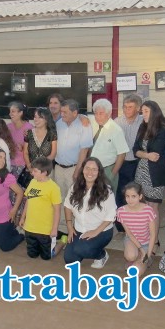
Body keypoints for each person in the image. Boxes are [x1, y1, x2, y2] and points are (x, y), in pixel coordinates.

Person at [53, 99, 93, 254]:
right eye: (61, 111)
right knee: (61, 200)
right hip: (59, 168)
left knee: (75, 202)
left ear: (75, 113)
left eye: (65, 112)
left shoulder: (84, 124)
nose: (61, 114)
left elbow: (84, 150)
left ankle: (75, 234)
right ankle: (63, 235)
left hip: (74, 169)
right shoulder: (59, 124)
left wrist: (78, 170)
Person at [64, 157, 117, 268]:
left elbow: (111, 215)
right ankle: (83, 247)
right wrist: (69, 226)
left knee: (83, 249)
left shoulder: (106, 190)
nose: (90, 172)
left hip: (101, 231)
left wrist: (95, 232)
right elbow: (67, 206)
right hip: (79, 229)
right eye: (87, 168)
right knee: (70, 260)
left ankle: (101, 255)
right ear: (82, 170)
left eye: (94, 169)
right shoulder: (75, 187)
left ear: (99, 172)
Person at [133, 100, 165, 245]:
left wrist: (144, 154)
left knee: (153, 206)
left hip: (155, 173)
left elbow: (156, 152)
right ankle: (144, 236)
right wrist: (146, 155)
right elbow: (135, 149)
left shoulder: (162, 129)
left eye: (146, 111)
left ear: (154, 111)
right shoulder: (142, 127)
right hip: (141, 170)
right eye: (142, 111)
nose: (143, 114)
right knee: (142, 204)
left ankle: (154, 239)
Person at [19, 157, 61, 260]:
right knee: (32, 255)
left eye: (35, 171)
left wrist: (54, 228)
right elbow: (28, 200)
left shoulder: (54, 188)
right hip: (30, 227)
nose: (32, 173)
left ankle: (62, 243)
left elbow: (57, 210)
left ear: (44, 173)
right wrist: (22, 217)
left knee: (46, 257)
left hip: (45, 230)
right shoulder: (33, 182)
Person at [114, 94, 144, 233]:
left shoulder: (144, 122)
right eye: (125, 107)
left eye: (130, 107)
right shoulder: (117, 122)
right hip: (122, 163)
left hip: (139, 162)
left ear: (138, 108)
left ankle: (137, 224)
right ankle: (121, 225)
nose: (127, 110)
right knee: (121, 193)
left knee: (137, 194)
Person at [117, 182, 157, 276]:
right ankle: (138, 257)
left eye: (133, 196)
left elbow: (153, 234)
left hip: (147, 241)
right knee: (130, 256)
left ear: (140, 196)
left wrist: (147, 254)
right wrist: (141, 249)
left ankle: (148, 256)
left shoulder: (148, 210)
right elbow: (129, 234)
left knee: (135, 273)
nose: (130, 200)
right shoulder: (121, 211)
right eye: (127, 196)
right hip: (131, 239)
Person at [89, 99, 129, 193]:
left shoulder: (116, 130)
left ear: (109, 114)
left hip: (106, 170)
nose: (98, 116)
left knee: (106, 201)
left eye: (101, 113)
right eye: (96, 113)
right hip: (91, 170)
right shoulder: (93, 124)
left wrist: (112, 174)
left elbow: (122, 154)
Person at [7, 101, 33, 177]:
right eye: (10, 111)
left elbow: (34, 148)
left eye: (13, 111)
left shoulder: (29, 127)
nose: (10, 114)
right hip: (8, 163)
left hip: (23, 166)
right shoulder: (8, 127)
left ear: (20, 113)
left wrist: (23, 146)